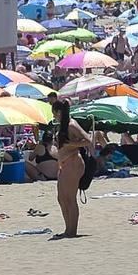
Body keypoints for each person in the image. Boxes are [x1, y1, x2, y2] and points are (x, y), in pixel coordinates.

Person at [50, 97, 88, 239]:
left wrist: (70, 144)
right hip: (64, 163)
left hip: (73, 163)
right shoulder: (63, 125)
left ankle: (72, 231)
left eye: (54, 112)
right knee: (61, 198)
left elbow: (87, 140)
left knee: (70, 198)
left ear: (59, 112)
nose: (53, 116)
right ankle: (67, 229)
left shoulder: (72, 124)